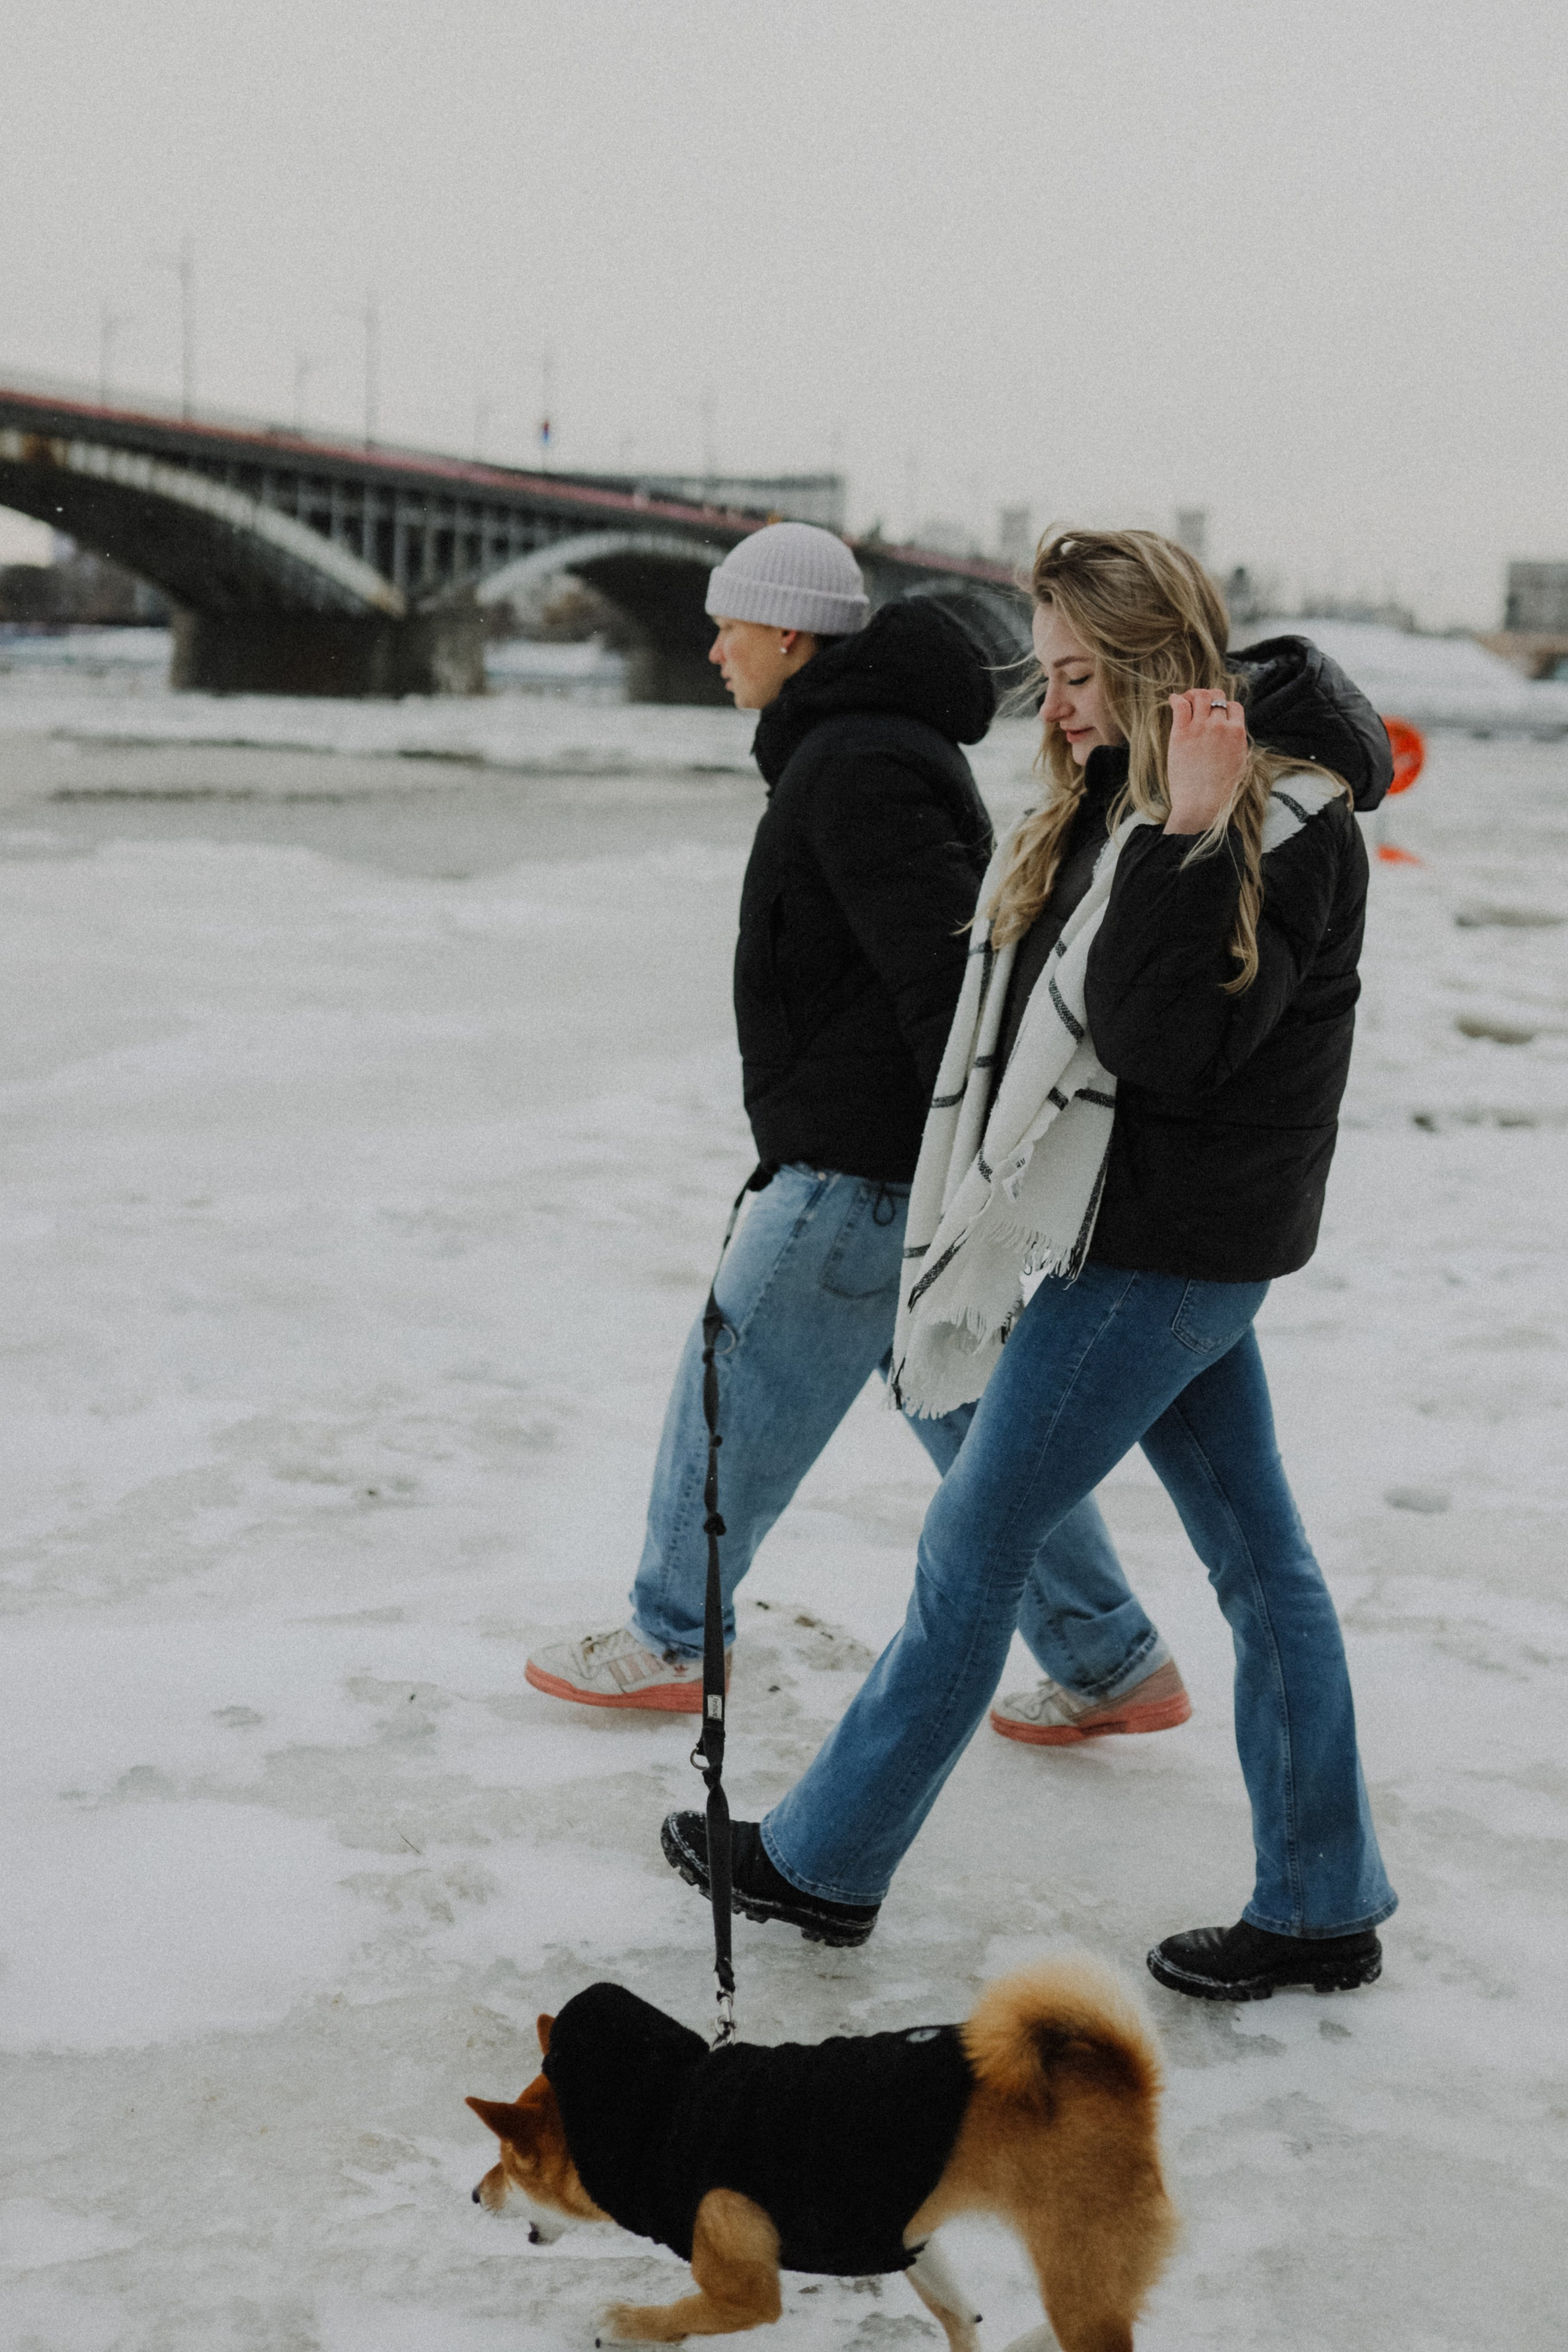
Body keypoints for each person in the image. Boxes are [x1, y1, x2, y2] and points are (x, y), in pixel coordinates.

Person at [662, 527, 1399, 2004]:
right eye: (1044, 674)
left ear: (1142, 668)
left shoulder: (1277, 820)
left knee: (974, 1542)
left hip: (1155, 1252)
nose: (1050, 708)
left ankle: (822, 1863)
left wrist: (1188, 838)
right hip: (1155, 1238)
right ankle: (1321, 1903)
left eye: (1073, 676)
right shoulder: (1138, 801)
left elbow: (1164, 1041)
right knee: (1258, 1564)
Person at [526, 521, 1189, 1736]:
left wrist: (930, 1150)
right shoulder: (858, 750)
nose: (712, 646)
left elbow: (944, 975)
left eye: (728, 625)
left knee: (735, 1377)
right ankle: (1108, 1658)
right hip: (884, 1160)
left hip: (856, 1167)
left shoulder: (857, 762)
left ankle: (673, 1633)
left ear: (788, 632)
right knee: (964, 1422)